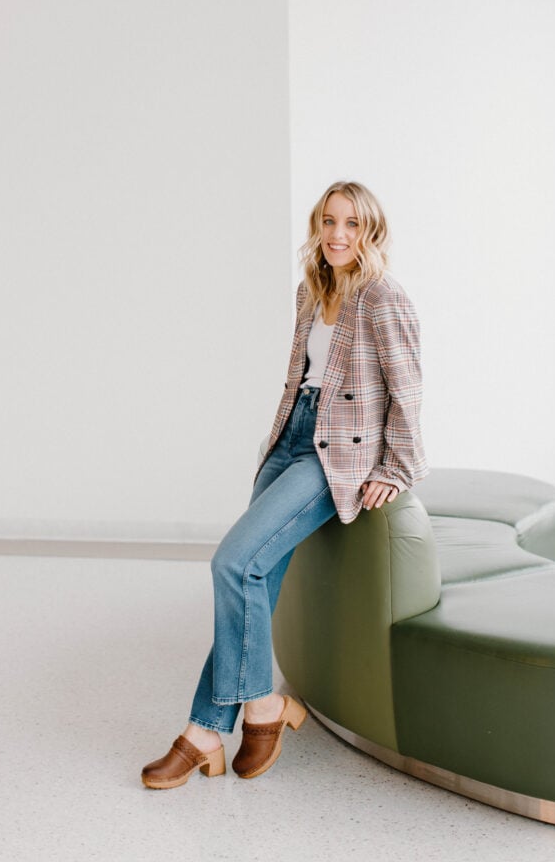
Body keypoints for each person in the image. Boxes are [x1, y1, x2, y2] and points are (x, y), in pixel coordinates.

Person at [141, 180, 428, 789]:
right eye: (328, 221)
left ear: (370, 231)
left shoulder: (384, 297)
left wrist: (395, 468)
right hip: (290, 437)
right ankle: (205, 733)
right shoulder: (312, 291)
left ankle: (263, 709)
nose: (337, 234)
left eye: (351, 223)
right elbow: (301, 378)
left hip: (335, 457)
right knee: (254, 584)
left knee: (231, 563)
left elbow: (408, 390)